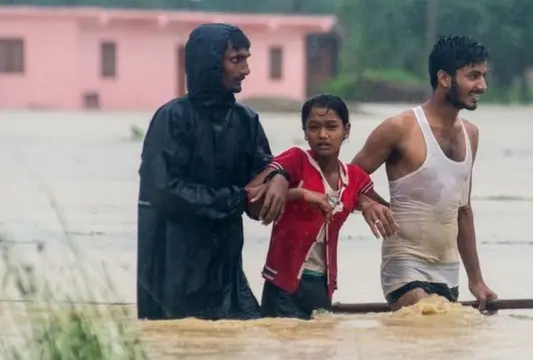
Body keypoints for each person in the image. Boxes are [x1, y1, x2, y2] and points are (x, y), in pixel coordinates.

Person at [136, 24, 290, 320]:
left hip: (227, 272)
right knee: (181, 347)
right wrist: (237, 198)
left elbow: (265, 172)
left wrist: (280, 176)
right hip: (174, 274)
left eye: (247, 59)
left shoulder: (246, 120)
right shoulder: (172, 118)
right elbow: (163, 191)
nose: (246, 69)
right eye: (236, 60)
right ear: (208, 63)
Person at [351, 35, 498, 312]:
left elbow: (463, 211)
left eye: (483, 76)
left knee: (441, 348)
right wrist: (367, 201)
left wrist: (476, 281)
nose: (482, 86)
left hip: (448, 271)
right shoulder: (400, 128)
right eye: (473, 76)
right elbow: (346, 177)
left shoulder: (471, 135)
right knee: (427, 319)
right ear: (444, 78)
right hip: (404, 266)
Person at [246, 94, 396, 320]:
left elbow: (382, 205)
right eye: (314, 127)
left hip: (322, 285)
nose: (323, 135)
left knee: (322, 351)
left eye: (331, 127)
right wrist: (300, 193)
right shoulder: (295, 160)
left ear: (346, 131)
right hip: (283, 285)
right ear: (305, 132)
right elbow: (251, 196)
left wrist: (367, 204)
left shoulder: (354, 176)